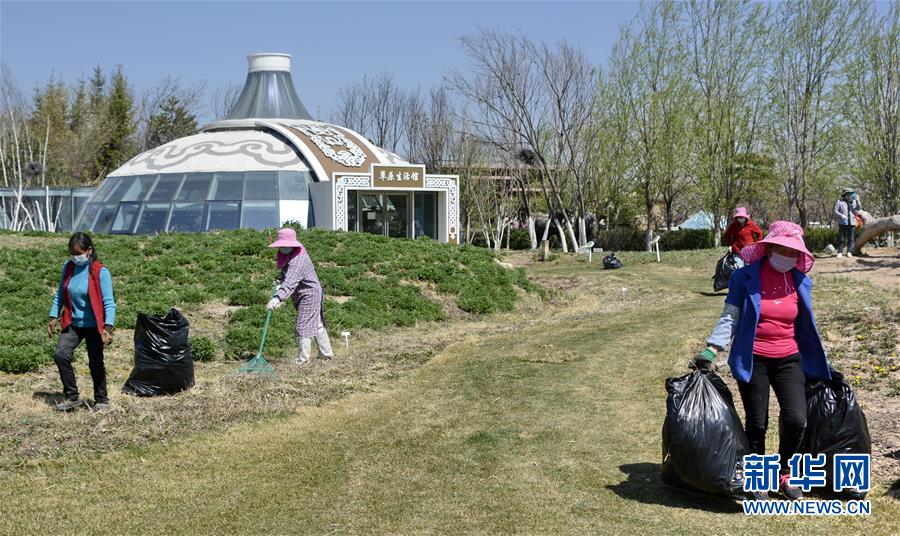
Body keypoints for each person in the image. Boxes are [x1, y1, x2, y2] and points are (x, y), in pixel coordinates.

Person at [692, 221, 831, 501]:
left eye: (792, 252)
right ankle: (757, 476)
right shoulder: (744, 278)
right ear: (768, 248)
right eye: (781, 249)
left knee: (796, 419)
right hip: (754, 358)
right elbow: (731, 315)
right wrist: (711, 348)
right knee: (757, 423)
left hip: (789, 358)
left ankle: (783, 474)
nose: (786, 256)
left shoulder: (800, 281)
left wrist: (820, 360)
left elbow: (807, 326)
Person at [48, 232, 116, 412]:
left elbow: (109, 302)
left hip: (94, 325)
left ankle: (101, 400)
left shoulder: (100, 271)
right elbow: (61, 294)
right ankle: (72, 397)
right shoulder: (68, 267)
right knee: (61, 354)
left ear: (89, 250)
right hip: (73, 323)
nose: (75, 257)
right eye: (72, 253)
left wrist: (108, 327)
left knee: (95, 362)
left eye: (78, 253)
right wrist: (53, 316)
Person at [266, 227, 334, 364]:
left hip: (309, 293)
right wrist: (279, 280)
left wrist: (277, 298)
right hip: (303, 293)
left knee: (302, 325)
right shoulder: (288, 254)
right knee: (317, 322)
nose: (283, 248)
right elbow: (286, 274)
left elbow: (291, 282)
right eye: (281, 246)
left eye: (286, 245)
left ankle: (302, 360)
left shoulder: (298, 259)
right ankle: (326, 354)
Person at [833, 188, 861, 257]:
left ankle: (849, 251)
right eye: (848, 194)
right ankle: (840, 252)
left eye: (850, 194)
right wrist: (841, 215)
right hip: (843, 223)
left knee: (851, 238)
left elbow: (858, 208)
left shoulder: (853, 202)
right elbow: (836, 211)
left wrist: (857, 200)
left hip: (852, 222)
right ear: (844, 195)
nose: (849, 195)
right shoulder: (839, 202)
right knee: (841, 238)